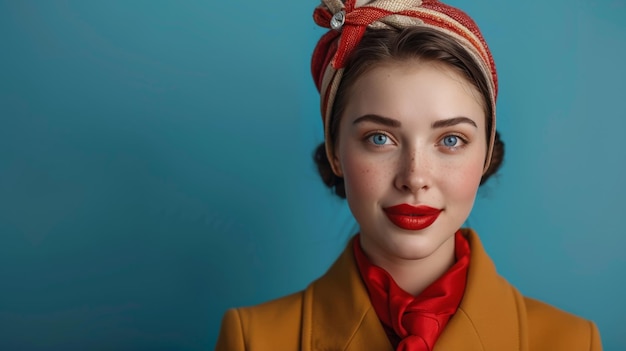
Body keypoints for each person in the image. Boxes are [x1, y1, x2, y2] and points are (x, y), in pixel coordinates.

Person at [215, 0, 602, 350]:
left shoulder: (572, 341)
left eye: (451, 139)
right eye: (379, 138)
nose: (415, 177)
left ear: (486, 154)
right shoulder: (254, 338)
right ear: (335, 152)